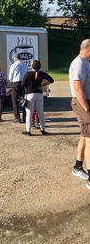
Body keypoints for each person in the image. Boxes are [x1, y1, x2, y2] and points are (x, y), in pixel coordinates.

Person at [69, 39, 90, 189]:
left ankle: (77, 167)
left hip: (85, 102)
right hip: (82, 103)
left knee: (84, 136)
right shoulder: (79, 63)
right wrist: (87, 109)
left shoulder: (85, 62)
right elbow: (78, 88)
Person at [21, 60, 54, 136]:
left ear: (32, 66)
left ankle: (28, 131)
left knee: (29, 113)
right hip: (39, 93)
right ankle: (43, 129)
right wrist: (43, 85)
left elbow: (22, 85)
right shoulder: (42, 73)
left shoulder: (28, 74)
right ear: (40, 66)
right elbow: (51, 80)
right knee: (40, 112)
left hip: (30, 94)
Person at [8, 54, 28, 123]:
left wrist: (12, 80)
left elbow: (10, 77)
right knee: (24, 100)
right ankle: (25, 117)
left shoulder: (13, 65)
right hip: (24, 83)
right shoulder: (25, 65)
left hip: (16, 83)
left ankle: (17, 118)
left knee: (14, 100)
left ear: (15, 58)